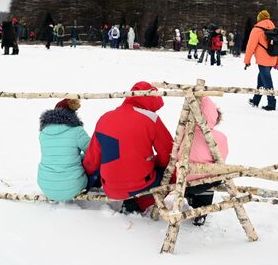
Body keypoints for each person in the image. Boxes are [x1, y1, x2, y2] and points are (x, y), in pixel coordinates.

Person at [83, 81, 173, 214]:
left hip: (109, 187)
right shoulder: (151, 118)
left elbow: (92, 160)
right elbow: (169, 153)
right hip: (141, 185)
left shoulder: (104, 118)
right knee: (173, 172)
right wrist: (154, 162)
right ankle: (139, 203)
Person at [177, 96, 228, 226]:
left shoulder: (184, 133)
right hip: (204, 181)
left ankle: (190, 197)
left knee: (194, 177)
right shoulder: (219, 137)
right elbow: (222, 159)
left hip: (183, 179)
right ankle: (201, 211)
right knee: (215, 175)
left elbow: (177, 154)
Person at [37, 98, 92, 201]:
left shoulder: (43, 132)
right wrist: (80, 158)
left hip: (46, 185)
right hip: (73, 185)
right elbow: (93, 151)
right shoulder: (77, 131)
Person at [245, 10, 278, 111]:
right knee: (261, 78)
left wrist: (247, 60)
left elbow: (250, 46)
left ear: (259, 18)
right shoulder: (274, 29)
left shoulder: (256, 29)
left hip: (262, 59)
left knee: (266, 80)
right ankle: (256, 100)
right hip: (272, 58)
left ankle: (271, 103)